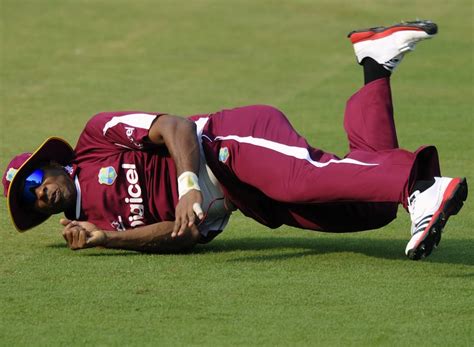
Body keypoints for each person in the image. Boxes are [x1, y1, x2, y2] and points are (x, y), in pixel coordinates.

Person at [3, 20, 468, 260]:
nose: (38, 191)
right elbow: (181, 236)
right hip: (242, 198)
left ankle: (419, 188)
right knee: (365, 213)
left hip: (224, 143)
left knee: (300, 182)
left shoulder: (94, 139)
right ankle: (375, 63)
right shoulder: (89, 222)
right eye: (30, 198)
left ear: (53, 162)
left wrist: (187, 187)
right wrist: (107, 239)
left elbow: (177, 127)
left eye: (34, 177)